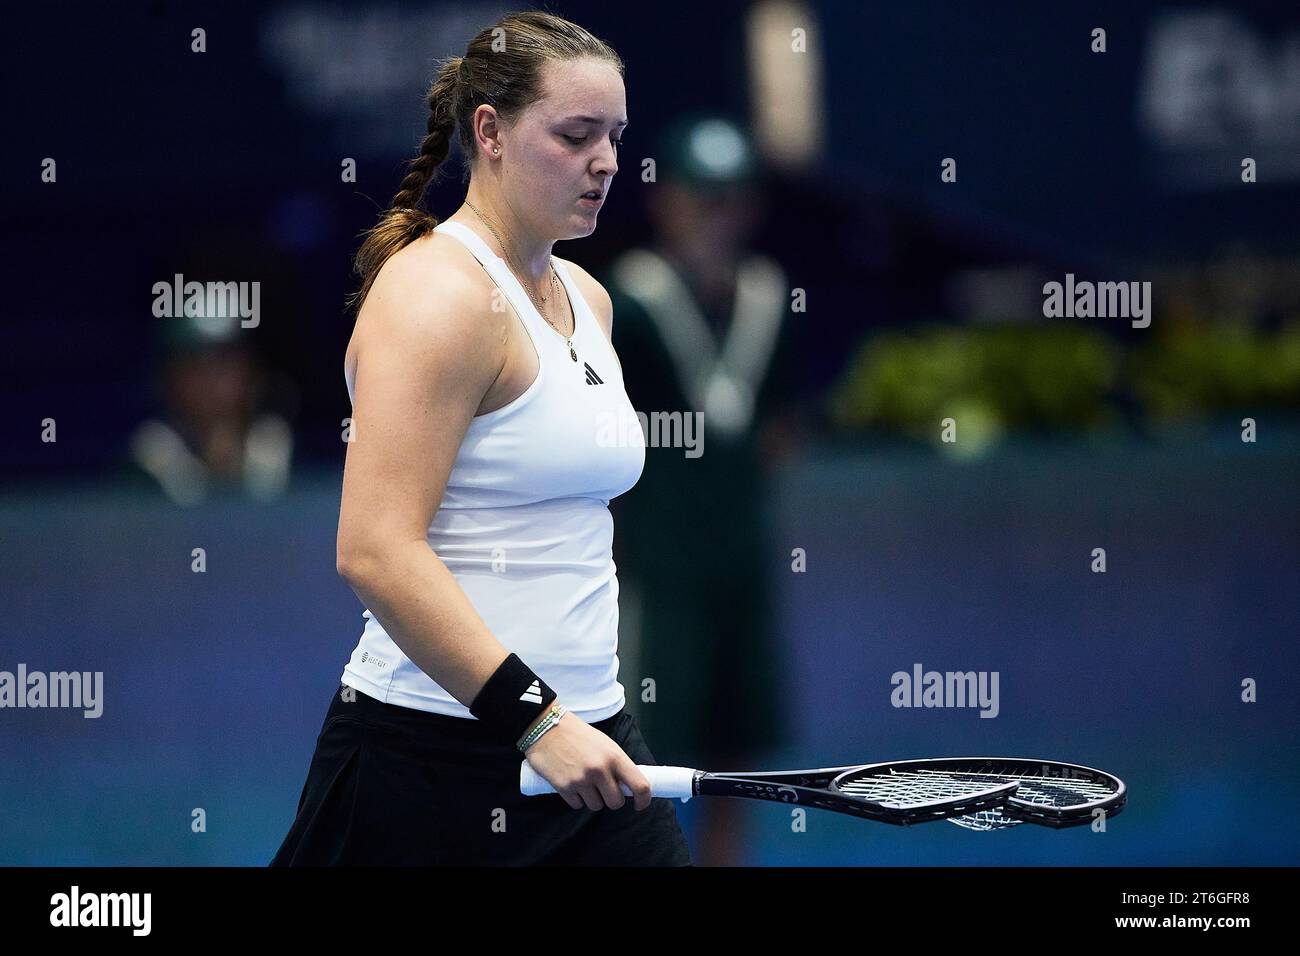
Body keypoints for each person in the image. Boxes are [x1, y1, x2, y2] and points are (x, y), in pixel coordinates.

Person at [271, 11, 691, 866]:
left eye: (614, 136)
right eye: (575, 135)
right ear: (490, 133)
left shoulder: (589, 299)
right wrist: (535, 720)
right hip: (430, 759)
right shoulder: (435, 296)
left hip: (593, 737)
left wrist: (568, 721)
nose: (606, 161)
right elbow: (376, 550)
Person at [606, 115, 808, 865]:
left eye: (731, 199)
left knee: (735, 762)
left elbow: (780, 433)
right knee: (645, 759)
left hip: (742, 569)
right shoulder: (625, 304)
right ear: (668, 203)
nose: (717, 217)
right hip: (655, 576)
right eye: (702, 198)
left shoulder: (767, 301)